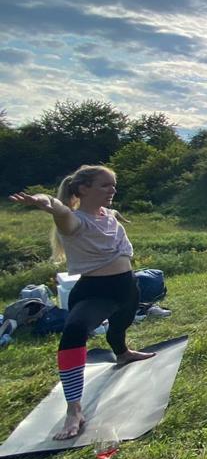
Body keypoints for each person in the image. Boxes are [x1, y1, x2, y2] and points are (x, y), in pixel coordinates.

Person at [9, 165, 155, 440]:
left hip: (126, 285)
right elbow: (57, 208)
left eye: (113, 185)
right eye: (105, 185)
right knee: (75, 331)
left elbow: (110, 222)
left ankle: (122, 353)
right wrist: (43, 201)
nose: (112, 190)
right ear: (83, 189)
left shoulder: (108, 215)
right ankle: (73, 408)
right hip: (96, 291)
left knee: (120, 325)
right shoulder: (75, 221)